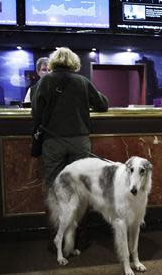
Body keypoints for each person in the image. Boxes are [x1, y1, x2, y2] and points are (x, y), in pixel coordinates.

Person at [32, 47, 108, 249]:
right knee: (81, 187)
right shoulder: (82, 82)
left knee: (53, 187)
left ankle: (57, 239)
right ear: (74, 63)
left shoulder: (45, 81)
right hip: (79, 141)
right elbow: (103, 105)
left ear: (53, 62)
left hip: (53, 141)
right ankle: (79, 240)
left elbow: (35, 111)